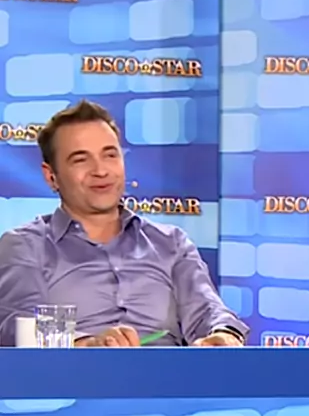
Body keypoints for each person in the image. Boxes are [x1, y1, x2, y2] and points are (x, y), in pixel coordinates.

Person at [0, 100, 248, 347]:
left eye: (110, 155)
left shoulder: (171, 243)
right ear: (51, 176)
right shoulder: (25, 245)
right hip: (77, 371)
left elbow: (208, 311)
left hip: (168, 372)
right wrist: (87, 344)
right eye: (81, 159)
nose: (100, 171)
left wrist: (225, 334)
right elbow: (15, 324)